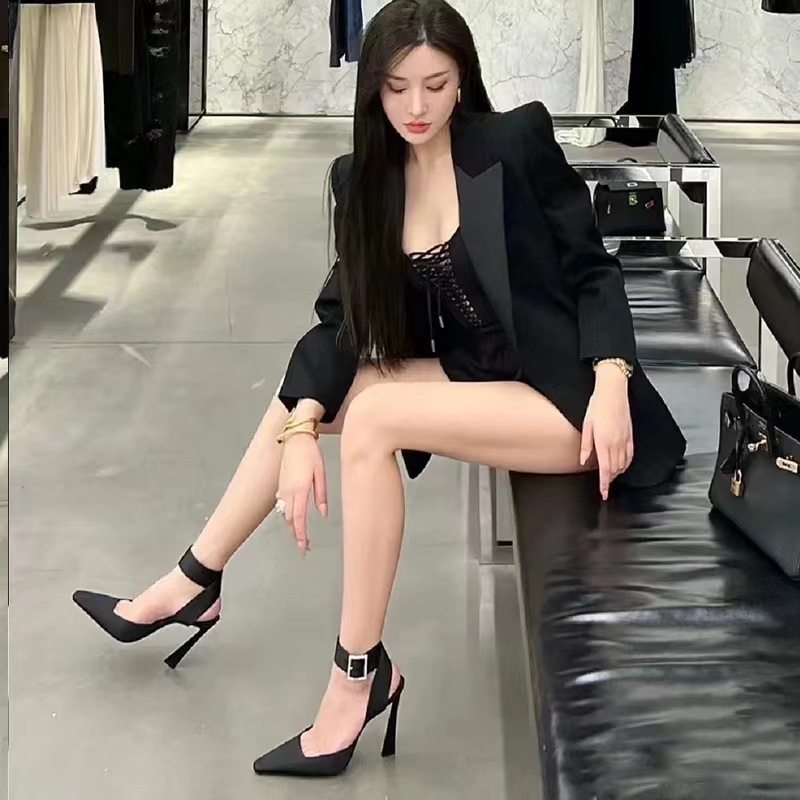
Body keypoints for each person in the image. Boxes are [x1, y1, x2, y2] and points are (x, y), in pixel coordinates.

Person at [73, 0, 687, 779]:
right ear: (374, 89)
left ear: (462, 80)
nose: (417, 107)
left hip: (572, 399)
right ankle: (195, 580)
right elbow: (340, 323)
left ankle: (356, 677)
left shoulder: (513, 142)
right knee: (313, 394)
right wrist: (301, 428)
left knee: (375, 417)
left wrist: (610, 379)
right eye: (398, 88)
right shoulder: (367, 181)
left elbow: (594, 270)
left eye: (436, 84)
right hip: (484, 375)